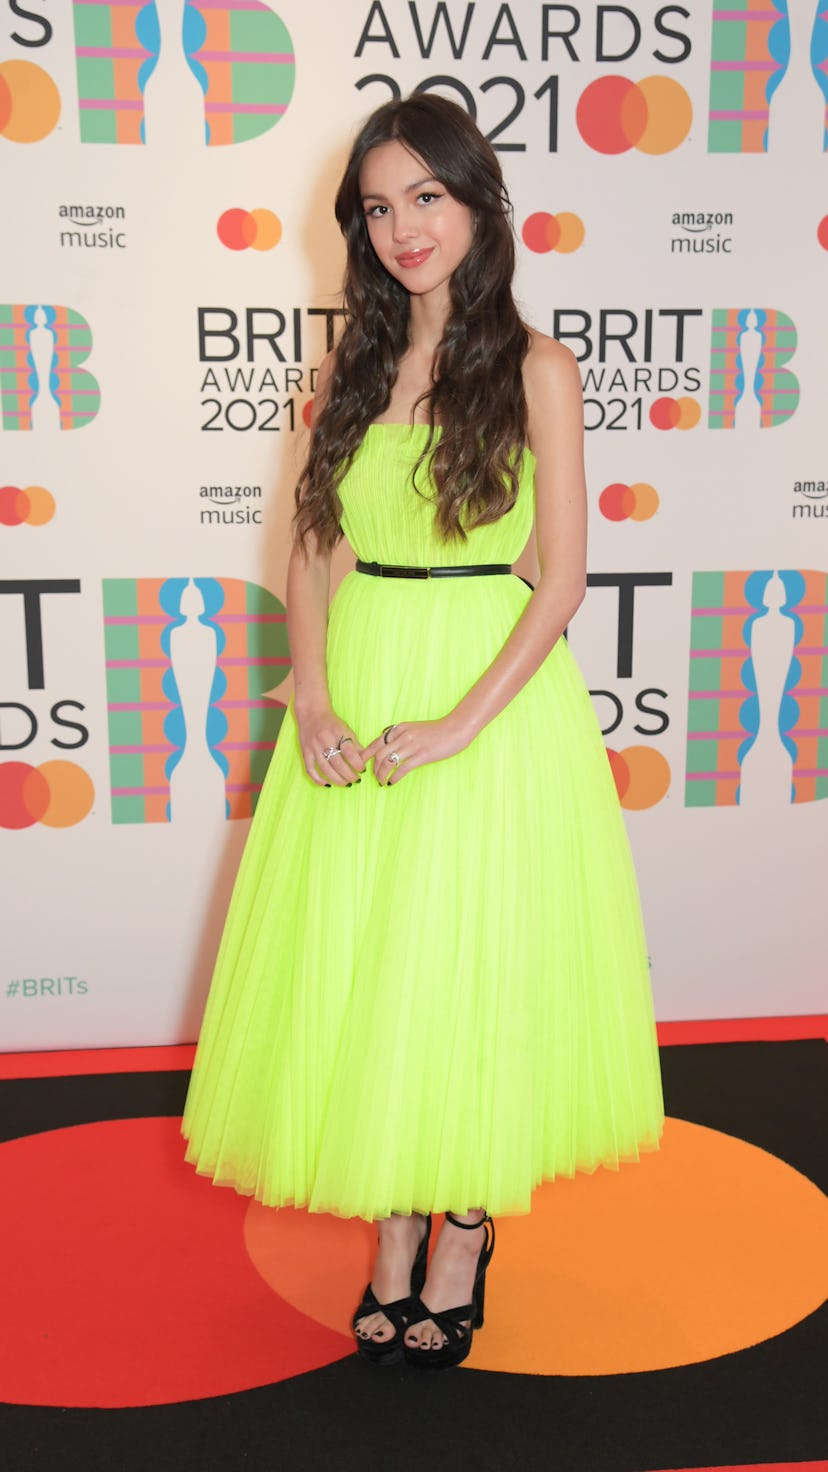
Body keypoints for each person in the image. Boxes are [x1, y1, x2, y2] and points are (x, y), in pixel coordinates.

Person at [182, 92, 664, 1372]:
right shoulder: (346, 366)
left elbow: (558, 579)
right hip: (358, 689)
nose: (402, 228)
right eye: (378, 207)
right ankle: (390, 1220)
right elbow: (313, 552)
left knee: (468, 969)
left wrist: (458, 722)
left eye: (425, 198)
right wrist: (317, 695)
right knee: (371, 970)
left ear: (477, 202)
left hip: (486, 701)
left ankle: (460, 1231)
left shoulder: (538, 367)